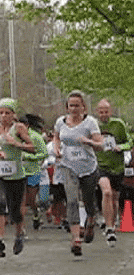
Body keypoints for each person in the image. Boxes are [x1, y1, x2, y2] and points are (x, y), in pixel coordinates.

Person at [53, 90, 103, 256]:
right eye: (71, 105)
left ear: (83, 107)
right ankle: (75, 239)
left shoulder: (90, 123)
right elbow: (56, 137)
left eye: (77, 105)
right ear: (67, 107)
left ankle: (91, 220)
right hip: (68, 166)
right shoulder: (61, 122)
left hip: (88, 168)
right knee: (72, 200)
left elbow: (100, 144)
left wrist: (87, 141)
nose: (74, 109)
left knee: (88, 200)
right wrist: (56, 148)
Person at [0, 98, 34, 257]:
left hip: (16, 175)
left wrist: (16, 144)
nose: (3, 116)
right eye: (1, 112)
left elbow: (32, 148)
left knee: (15, 211)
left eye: (7, 113)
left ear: (14, 114)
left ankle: (19, 234)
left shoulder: (19, 128)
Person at [95, 99, 131, 247]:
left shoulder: (118, 124)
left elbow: (129, 142)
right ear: (97, 112)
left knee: (114, 199)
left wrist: (121, 147)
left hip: (117, 167)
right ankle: (109, 227)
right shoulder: (93, 126)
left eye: (106, 111)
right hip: (100, 165)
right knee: (107, 192)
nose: (104, 115)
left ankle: (113, 222)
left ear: (111, 111)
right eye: (101, 112)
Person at [19, 114, 49, 230]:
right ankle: (21, 228)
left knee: (31, 199)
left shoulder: (36, 137)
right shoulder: (13, 136)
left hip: (33, 172)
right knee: (21, 200)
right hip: (18, 172)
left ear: (27, 125)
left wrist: (29, 157)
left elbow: (44, 153)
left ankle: (36, 214)